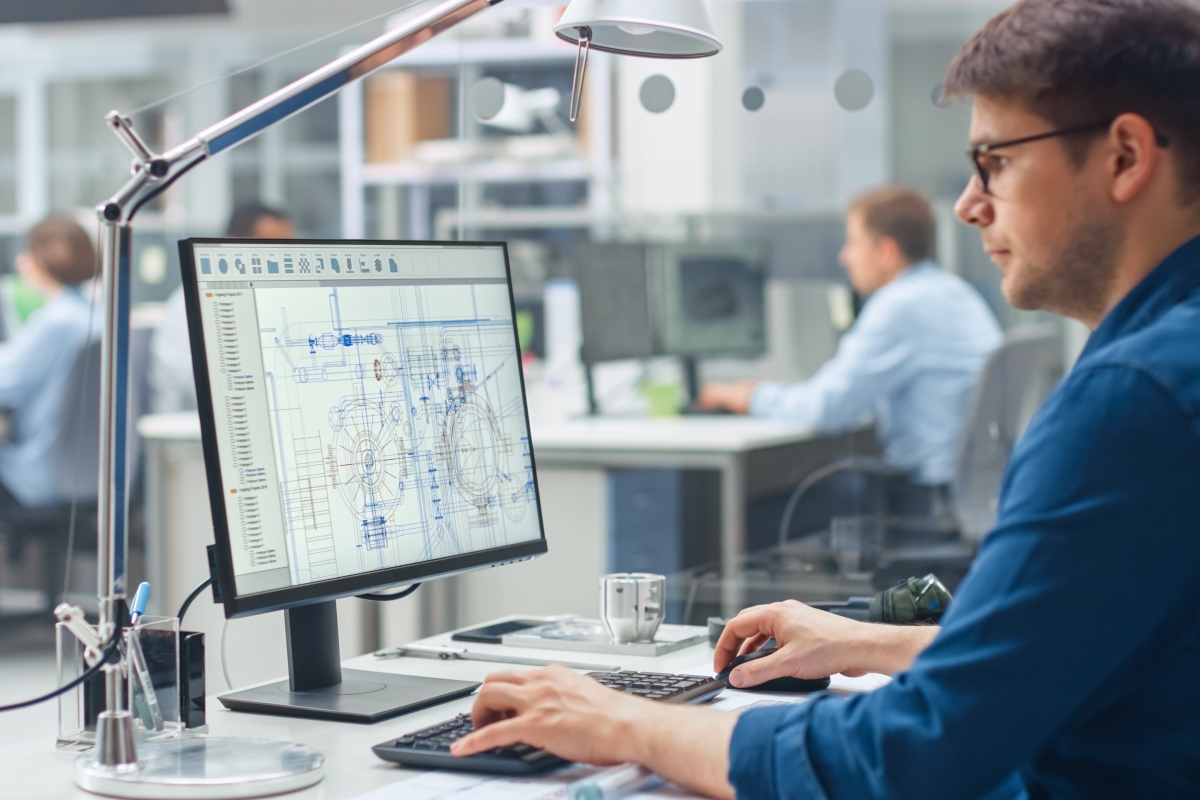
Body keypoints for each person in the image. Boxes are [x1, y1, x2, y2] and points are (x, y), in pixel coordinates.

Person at [449, 1, 1200, 797]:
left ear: (1124, 156)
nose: (969, 204)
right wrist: (865, 640)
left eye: (996, 162)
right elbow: (1064, 654)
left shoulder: (1132, 403)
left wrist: (621, 720)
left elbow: (906, 755)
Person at [699, 187, 1002, 489]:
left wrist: (748, 396)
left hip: (923, 494)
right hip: (971, 487)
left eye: (853, 244)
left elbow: (825, 409)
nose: (845, 257)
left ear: (886, 252)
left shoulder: (898, 306)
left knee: (759, 510)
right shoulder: (955, 292)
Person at [149, 202, 293, 413]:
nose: (279, 259)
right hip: (191, 429)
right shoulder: (192, 302)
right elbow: (204, 390)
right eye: (270, 246)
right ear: (232, 244)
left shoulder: (265, 299)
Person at [0, 217, 99, 508]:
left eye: (28, 252)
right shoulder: (98, 316)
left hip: (40, 474)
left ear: (43, 260)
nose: (21, 261)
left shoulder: (57, 323)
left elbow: (4, 381)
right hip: (92, 469)